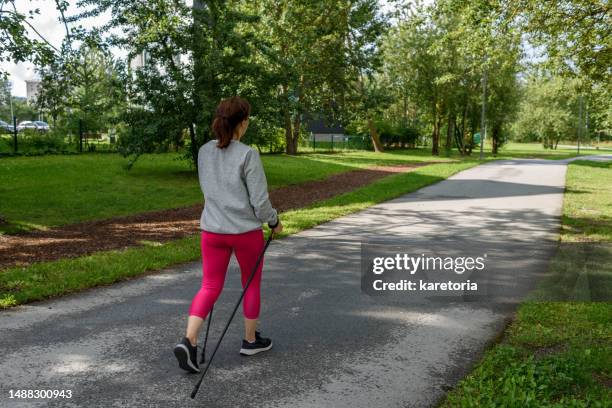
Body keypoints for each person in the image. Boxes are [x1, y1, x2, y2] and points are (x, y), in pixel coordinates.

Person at [173, 96, 282, 374]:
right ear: (243, 123)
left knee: (209, 286)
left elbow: (209, 189)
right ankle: (249, 341)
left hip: (212, 230)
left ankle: (190, 340)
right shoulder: (248, 154)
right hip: (245, 232)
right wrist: (273, 221)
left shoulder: (204, 151)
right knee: (251, 284)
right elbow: (259, 202)